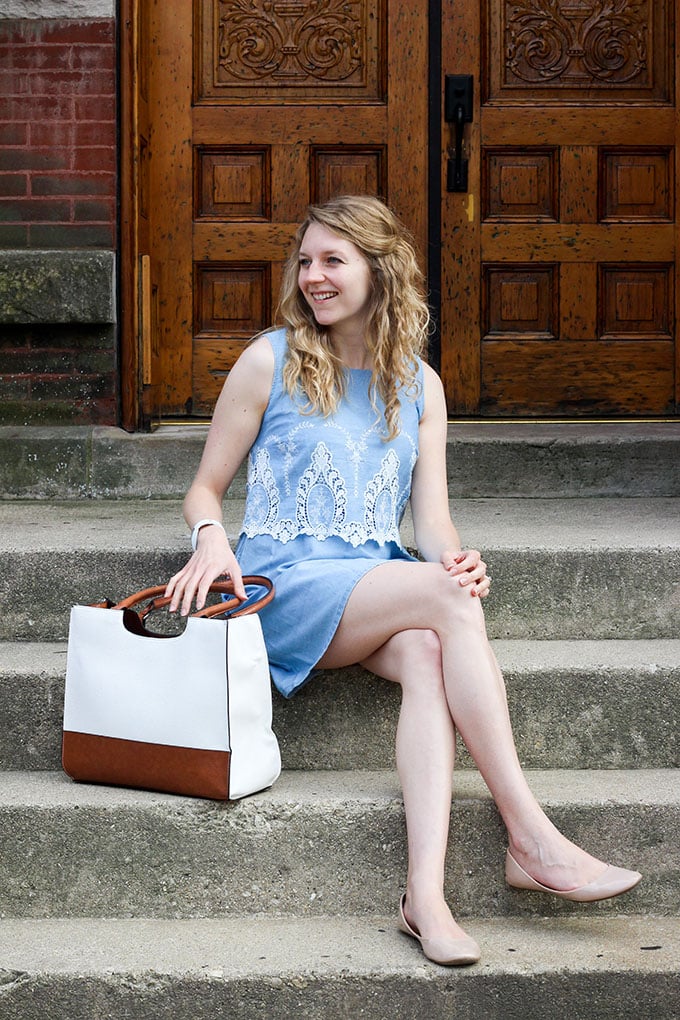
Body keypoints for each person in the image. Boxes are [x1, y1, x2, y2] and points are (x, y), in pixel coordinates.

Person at [165, 195, 641, 966]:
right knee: (440, 608)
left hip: (375, 585)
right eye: (307, 261)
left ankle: (426, 897)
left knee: (428, 649)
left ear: (379, 271)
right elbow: (202, 488)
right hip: (282, 585)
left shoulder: (419, 385)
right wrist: (211, 538)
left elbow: (434, 526)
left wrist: (458, 560)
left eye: (333, 261)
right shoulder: (273, 359)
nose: (313, 277)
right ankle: (530, 835)